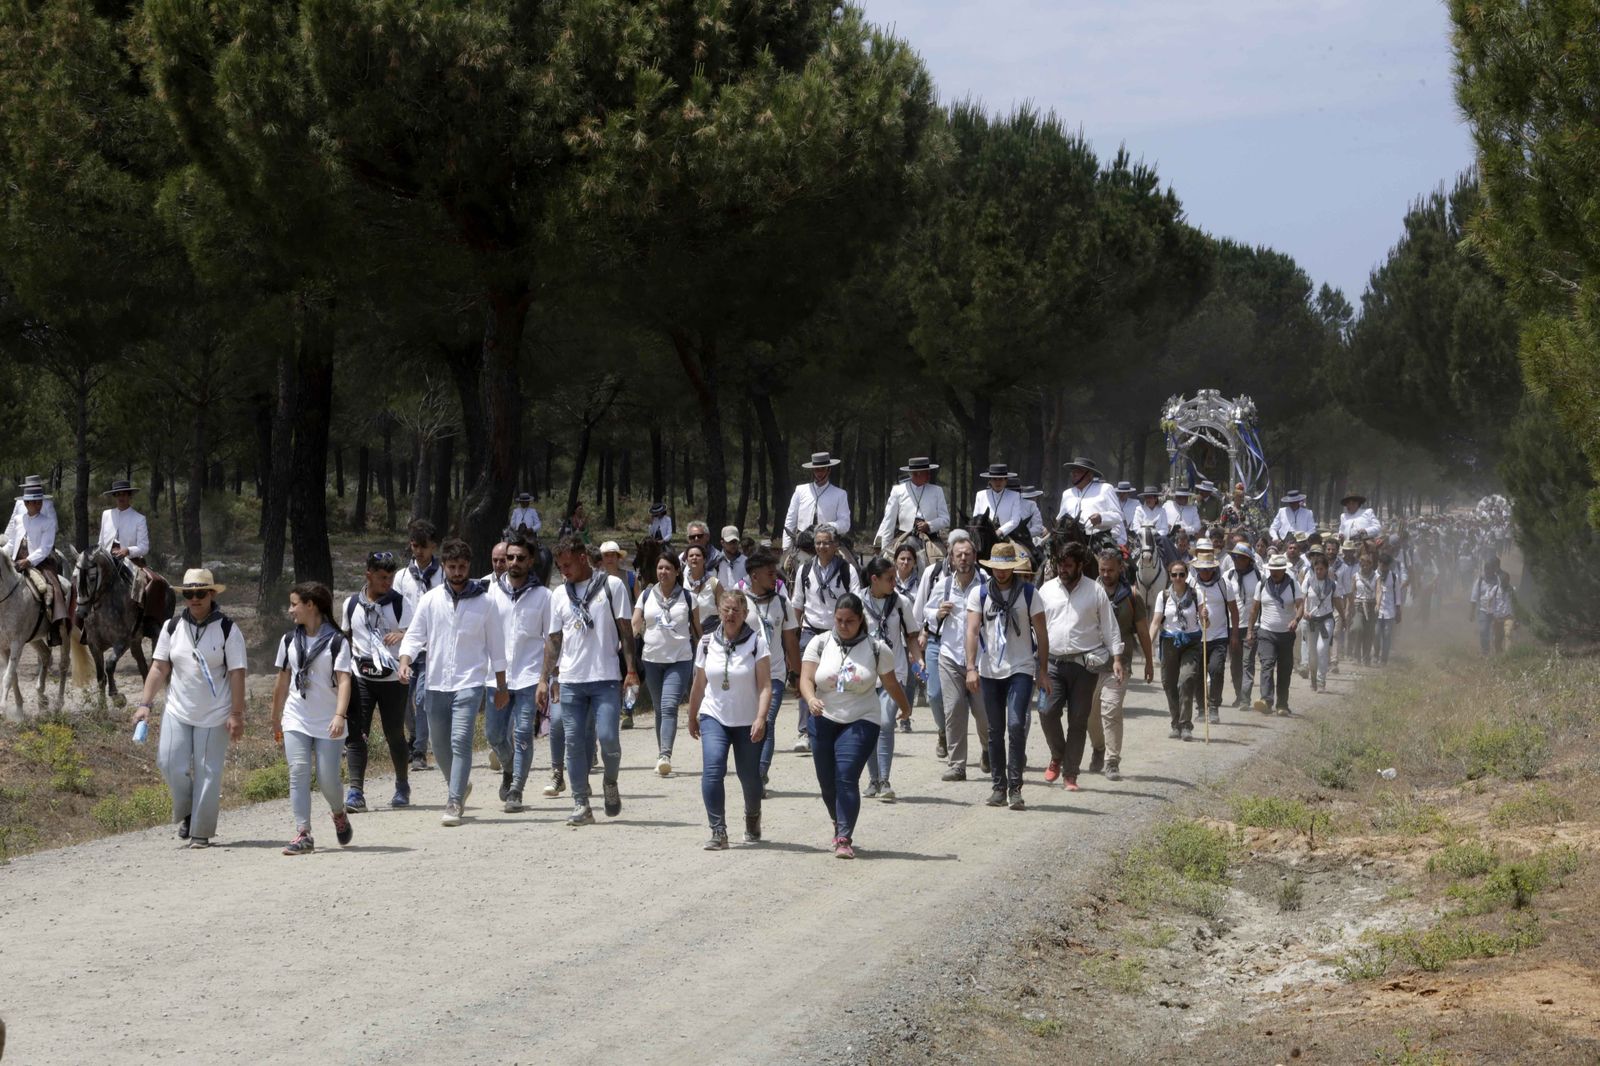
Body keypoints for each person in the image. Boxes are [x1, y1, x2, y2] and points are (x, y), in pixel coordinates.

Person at [131, 569, 247, 849]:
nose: (194, 599)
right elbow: (159, 666)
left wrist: (236, 713)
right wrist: (145, 704)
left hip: (215, 713)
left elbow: (237, 673)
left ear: (212, 594)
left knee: (208, 771)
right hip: (178, 709)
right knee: (169, 762)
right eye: (188, 594)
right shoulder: (172, 627)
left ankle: (201, 832)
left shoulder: (228, 629)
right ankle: (188, 812)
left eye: (200, 593)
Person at [397, 539, 508, 828]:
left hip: (469, 682)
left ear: (469, 567)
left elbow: (497, 646)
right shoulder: (431, 599)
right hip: (435, 683)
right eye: (452, 567)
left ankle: (454, 799)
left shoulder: (485, 602)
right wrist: (405, 660)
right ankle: (459, 784)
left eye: (462, 567)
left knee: (460, 740)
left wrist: (501, 685)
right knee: (439, 745)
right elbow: (414, 635)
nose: (458, 572)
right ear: (444, 567)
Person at [798, 593, 910, 859]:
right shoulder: (820, 642)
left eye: (849, 621)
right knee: (827, 782)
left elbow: (891, 683)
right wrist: (811, 698)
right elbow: (805, 678)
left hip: (862, 719)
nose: (843, 625)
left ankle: (844, 836)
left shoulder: (876, 648)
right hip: (823, 718)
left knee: (846, 776)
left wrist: (905, 707)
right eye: (838, 620)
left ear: (861, 620)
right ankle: (839, 821)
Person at [539, 536, 637, 826]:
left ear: (583, 558)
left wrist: (631, 671)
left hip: (605, 677)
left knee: (608, 738)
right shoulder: (559, 595)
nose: (563, 571)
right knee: (574, 743)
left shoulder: (612, 586)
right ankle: (581, 803)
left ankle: (610, 781)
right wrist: (544, 679)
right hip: (571, 679)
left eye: (567, 564)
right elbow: (554, 641)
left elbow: (626, 631)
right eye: (559, 566)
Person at [270, 582, 354, 855]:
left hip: (328, 719)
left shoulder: (338, 641)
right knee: (298, 771)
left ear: (311, 605)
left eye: (294, 604)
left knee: (328, 778)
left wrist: (340, 715)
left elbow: (343, 681)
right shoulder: (288, 641)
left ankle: (338, 812)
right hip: (296, 716)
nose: (290, 609)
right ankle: (303, 833)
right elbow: (282, 682)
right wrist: (275, 717)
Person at [965, 542, 1051, 810]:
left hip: (1021, 668)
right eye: (997, 568)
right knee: (994, 730)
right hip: (991, 669)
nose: (1001, 573)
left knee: (1015, 725)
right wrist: (970, 667)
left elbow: (1042, 633)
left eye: (1006, 568)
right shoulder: (979, 594)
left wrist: (1043, 670)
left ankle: (1015, 788)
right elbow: (971, 630)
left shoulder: (1028, 593)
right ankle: (998, 786)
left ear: (1013, 567)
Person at [687, 589, 773, 849]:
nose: (730, 614)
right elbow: (699, 684)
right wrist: (692, 715)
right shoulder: (706, 642)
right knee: (713, 769)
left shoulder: (757, 642)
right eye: (725, 609)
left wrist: (761, 717)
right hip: (714, 716)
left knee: (750, 778)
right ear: (719, 612)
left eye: (736, 609)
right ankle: (718, 831)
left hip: (748, 720)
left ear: (746, 613)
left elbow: (766, 685)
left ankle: (752, 814)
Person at [1038, 541, 1124, 791]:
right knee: (1046, 712)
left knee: (1078, 720)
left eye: (1067, 566)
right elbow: (1037, 628)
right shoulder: (1046, 590)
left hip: (1084, 666)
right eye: (1059, 565)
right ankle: (1058, 755)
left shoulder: (1095, 591)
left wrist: (1117, 658)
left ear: (1080, 565)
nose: (1062, 570)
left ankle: (1070, 774)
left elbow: (1109, 626)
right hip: (1052, 663)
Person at [340, 551, 413, 811]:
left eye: (391, 577)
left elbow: (415, 636)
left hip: (393, 679)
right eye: (382, 577)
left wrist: (401, 634)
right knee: (357, 734)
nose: (388, 583)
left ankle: (402, 785)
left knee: (394, 733)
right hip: (361, 678)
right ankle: (356, 792)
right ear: (368, 575)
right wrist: (342, 674)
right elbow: (346, 639)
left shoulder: (400, 603)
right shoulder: (350, 604)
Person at [486, 534, 551, 812]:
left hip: (528, 677)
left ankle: (517, 789)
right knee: (494, 735)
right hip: (496, 677)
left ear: (531, 561)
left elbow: (551, 640)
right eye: (509, 557)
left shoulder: (544, 596)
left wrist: (544, 680)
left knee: (524, 732)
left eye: (520, 558)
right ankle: (509, 767)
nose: (513, 563)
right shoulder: (489, 592)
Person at [917, 533, 988, 781]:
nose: (963, 558)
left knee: (983, 712)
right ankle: (957, 764)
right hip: (948, 655)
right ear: (952, 558)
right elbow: (926, 611)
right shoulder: (944, 584)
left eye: (967, 554)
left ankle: (988, 749)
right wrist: (938, 613)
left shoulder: (986, 585)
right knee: (954, 709)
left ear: (975, 556)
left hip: (980, 660)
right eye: (959, 555)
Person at [790, 524, 861, 752]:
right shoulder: (804, 569)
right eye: (818, 542)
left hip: (837, 633)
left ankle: (838, 724)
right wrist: (793, 631)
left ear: (836, 545)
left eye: (826, 542)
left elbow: (856, 600)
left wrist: (855, 631)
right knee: (806, 680)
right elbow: (797, 602)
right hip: (810, 631)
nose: (821, 546)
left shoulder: (846, 570)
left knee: (837, 679)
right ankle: (804, 731)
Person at [634, 552, 701, 777]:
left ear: (677, 571)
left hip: (679, 659)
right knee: (659, 709)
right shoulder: (645, 595)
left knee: (669, 706)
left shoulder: (689, 598)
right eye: (660, 568)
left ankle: (665, 755)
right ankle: (662, 753)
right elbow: (636, 623)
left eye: (668, 568)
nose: (663, 572)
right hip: (651, 659)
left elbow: (698, 630)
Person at [741, 548, 801, 790]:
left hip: (774, 674)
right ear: (754, 576)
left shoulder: (782, 603)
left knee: (768, 720)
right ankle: (755, 769)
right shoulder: (740, 602)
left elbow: (790, 641)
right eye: (769, 573)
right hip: (746, 674)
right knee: (751, 723)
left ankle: (759, 773)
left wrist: (796, 675)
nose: (775, 577)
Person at [859, 557, 918, 801]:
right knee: (869, 725)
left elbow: (912, 634)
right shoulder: (857, 601)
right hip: (866, 674)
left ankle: (884, 780)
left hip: (896, 672)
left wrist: (918, 658)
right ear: (874, 580)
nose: (895, 582)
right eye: (890, 579)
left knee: (884, 722)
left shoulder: (901, 602)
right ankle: (873, 779)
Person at [1090, 549, 1150, 782]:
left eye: (1110, 570)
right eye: (1102, 570)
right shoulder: (1088, 592)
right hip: (1090, 664)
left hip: (1120, 663)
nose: (1106, 574)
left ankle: (1112, 761)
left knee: (1111, 710)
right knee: (1089, 715)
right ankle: (1098, 747)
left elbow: (1143, 631)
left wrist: (1148, 662)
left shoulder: (1132, 596)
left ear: (1120, 569)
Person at [394, 519, 441, 771]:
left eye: (423, 546)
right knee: (403, 699)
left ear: (434, 546)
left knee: (422, 698)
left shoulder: (443, 575)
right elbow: (395, 609)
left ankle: (420, 750)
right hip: (406, 648)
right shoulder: (402, 577)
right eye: (414, 545)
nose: (419, 551)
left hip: (432, 648)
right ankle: (413, 736)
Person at [4, 480, 66, 644]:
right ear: (26, 503)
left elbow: (46, 548)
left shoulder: (48, 522)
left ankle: (54, 628)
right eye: (34, 501)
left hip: (41, 563)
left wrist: (29, 560)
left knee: (54, 589)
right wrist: (3, 555)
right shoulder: (18, 519)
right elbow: (11, 543)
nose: (38, 504)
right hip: (15, 561)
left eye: (40, 501)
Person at [1149, 561, 1202, 740]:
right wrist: (1148, 644)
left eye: (1181, 574)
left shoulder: (1196, 594)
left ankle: (1186, 725)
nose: (1178, 578)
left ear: (1187, 575)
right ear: (1169, 576)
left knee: (1186, 679)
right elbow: (1156, 622)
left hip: (1191, 642)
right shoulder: (1163, 596)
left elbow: (1205, 621)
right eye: (1174, 575)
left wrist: (1206, 617)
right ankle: (1176, 723)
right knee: (1169, 683)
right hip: (1170, 642)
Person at [1249, 554, 1303, 716]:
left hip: (1286, 634)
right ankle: (1266, 700)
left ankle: (1282, 704)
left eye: (1277, 569)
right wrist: (1250, 630)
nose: (1274, 572)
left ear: (1283, 570)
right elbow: (1254, 609)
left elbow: (1300, 605)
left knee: (1285, 669)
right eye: (1272, 569)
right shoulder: (1262, 584)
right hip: (1266, 632)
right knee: (1266, 664)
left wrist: (1296, 619)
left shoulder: (1293, 584)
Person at [1190, 546, 1238, 726]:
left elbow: (1233, 610)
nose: (1205, 572)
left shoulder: (1224, 585)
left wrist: (1233, 634)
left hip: (1219, 636)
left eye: (1208, 568)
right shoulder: (1191, 585)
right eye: (1202, 569)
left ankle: (1214, 706)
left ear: (1213, 568)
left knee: (1216, 670)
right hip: (1197, 637)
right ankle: (1201, 709)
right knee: (1198, 674)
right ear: (1197, 569)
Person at [874, 457, 950, 555]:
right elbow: (889, 521)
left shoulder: (937, 491)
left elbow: (945, 519)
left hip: (931, 538)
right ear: (916, 474)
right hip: (903, 536)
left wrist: (929, 525)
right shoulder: (898, 491)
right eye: (926, 472)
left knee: (943, 560)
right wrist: (885, 549)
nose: (929, 475)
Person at [783, 451, 851, 551]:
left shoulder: (840, 494)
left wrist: (828, 526)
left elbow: (845, 523)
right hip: (802, 544)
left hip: (829, 544)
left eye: (822, 470)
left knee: (851, 565)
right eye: (816, 470)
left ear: (829, 470)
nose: (819, 473)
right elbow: (790, 520)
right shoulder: (800, 490)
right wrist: (786, 546)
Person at [1057, 456, 1126, 546]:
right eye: (1073, 471)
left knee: (1108, 557)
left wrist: (1101, 517)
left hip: (1097, 539)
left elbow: (1118, 516)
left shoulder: (1105, 489)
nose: (1074, 474)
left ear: (1089, 475)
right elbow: (1060, 518)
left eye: (1078, 471)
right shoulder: (1067, 493)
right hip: (1070, 541)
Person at [1224, 543, 1261, 707]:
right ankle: (1239, 694)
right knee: (1235, 663)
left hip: (1252, 625)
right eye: (1234, 557)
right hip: (1232, 627)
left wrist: (1256, 626)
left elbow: (1262, 602)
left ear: (1248, 559)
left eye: (1239, 557)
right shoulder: (1227, 576)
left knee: (1248, 662)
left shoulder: (1260, 576)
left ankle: (1245, 698)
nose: (1236, 560)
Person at [892, 543, 924, 725]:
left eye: (909, 559)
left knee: (911, 678)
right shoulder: (888, 582)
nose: (905, 562)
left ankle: (906, 716)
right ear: (895, 560)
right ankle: (891, 711)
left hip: (913, 636)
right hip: (894, 636)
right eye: (902, 558)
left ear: (914, 562)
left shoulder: (920, 584)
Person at [1302, 554, 1342, 691]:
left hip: (1326, 620)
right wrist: (1303, 612)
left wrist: (1344, 617)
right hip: (1311, 621)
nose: (1319, 571)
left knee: (1322, 649)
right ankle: (1313, 677)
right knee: (1312, 654)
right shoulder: (1308, 582)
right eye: (1316, 569)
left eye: (1321, 569)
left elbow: (1337, 602)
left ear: (1326, 569)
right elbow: (1302, 600)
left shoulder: (1333, 584)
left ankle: (1321, 681)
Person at [1469, 556, 1514, 655]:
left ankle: (1497, 650)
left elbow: (1505, 592)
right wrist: (1472, 612)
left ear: (1494, 570)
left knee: (1497, 633)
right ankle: (1485, 650)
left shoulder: (1498, 580)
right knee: (1483, 630)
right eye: (1486, 569)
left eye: (1490, 569)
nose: (1488, 571)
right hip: (1483, 610)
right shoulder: (1480, 581)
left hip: (1495, 611)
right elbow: (1473, 597)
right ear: (1484, 569)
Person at [971, 463, 1026, 540]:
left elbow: (1015, 520)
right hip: (984, 537)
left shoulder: (1014, 496)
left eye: (1001, 479)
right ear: (990, 480)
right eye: (994, 479)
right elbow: (976, 517)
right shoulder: (980, 495)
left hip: (1007, 536)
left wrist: (1000, 531)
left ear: (1006, 480)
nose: (997, 482)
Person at [682, 543, 721, 629]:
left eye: (698, 555)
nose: (694, 558)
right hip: (686, 636)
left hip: (710, 634)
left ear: (704, 560)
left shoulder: (714, 583)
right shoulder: (681, 584)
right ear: (687, 560)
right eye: (691, 555)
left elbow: (723, 612)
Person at [1375, 552, 1403, 665]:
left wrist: (1398, 610)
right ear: (1379, 563)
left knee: (1387, 635)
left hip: (1389, 611)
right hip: (1377, 610)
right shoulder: (1374, 575)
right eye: (1382, 564)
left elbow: (1398, 594)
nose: (1384, 567)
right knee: (1376, 634)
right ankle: (1376, 655)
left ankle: (1384, 659)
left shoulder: (1394, 577)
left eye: (1386, 565)